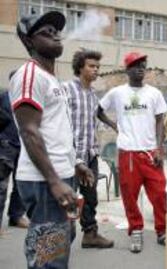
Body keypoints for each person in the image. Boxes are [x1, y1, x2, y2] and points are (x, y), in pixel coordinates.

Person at [10, 11, 93, 268]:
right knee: (50, 257)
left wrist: (75, 164)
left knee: (62, 239)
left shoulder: (50, 78)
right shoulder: (29, 75)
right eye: (46, 32)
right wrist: (55, 181)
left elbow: (55, 131)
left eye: (57, 31)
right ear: (29, 41)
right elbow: (29, 132)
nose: (56, 35)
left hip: (58, 174)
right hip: (44, 180)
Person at [99, 51, 167, 253]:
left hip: (151, 153)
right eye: (135, 64)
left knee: (159, 194)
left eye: (143, 64)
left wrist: (160, 149)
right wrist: (114, 125)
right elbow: (98, 110)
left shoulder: (154, 93)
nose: (140, 68)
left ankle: (162, 232)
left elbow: (160, 121)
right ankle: (136, 231)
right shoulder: (117, 93)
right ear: (127, 69)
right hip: (128, 154)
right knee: (129, 196)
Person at [62, 49, 115, 248]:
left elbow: (97, 115)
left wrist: (113, 124)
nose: (96, 70)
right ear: (80, 67)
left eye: (98, 67)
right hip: (70, 155)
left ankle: (90, 234)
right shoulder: (66, 89)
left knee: (91, 197)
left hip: (90, 154)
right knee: (68, 197)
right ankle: (62, 239)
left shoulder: (93, 94)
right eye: (91, 66)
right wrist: (74, 158)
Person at [0, 85, 29, 234]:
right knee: (1, 186)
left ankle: (16, 216)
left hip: (24, 145)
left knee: (20, 183)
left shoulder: (27, 98)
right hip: (6, 145)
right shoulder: (4, 96)